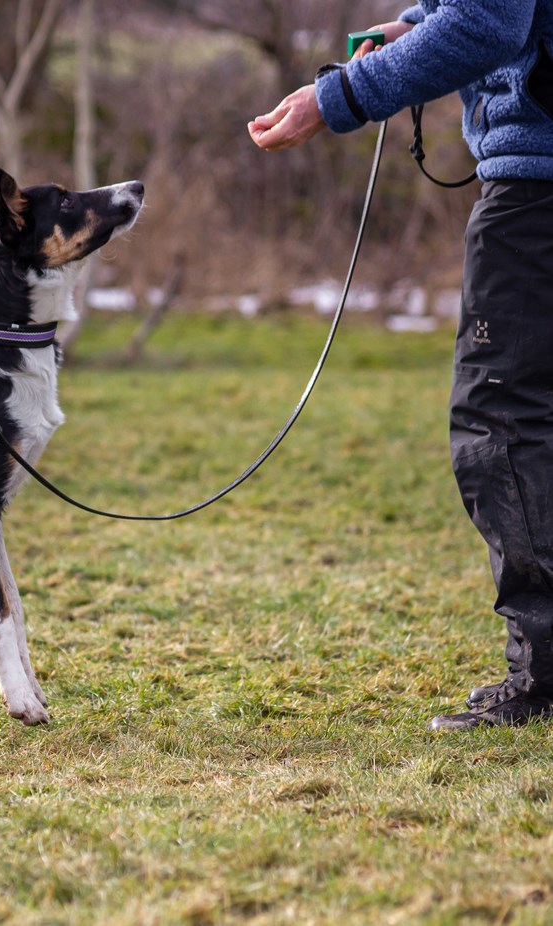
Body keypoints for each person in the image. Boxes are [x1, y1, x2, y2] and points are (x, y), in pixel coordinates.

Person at [249, 2, 553, 730]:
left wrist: (337, 99)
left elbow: (487, 23)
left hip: (538, 192)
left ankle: (546, 676)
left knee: (503, 418)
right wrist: (416, 25)